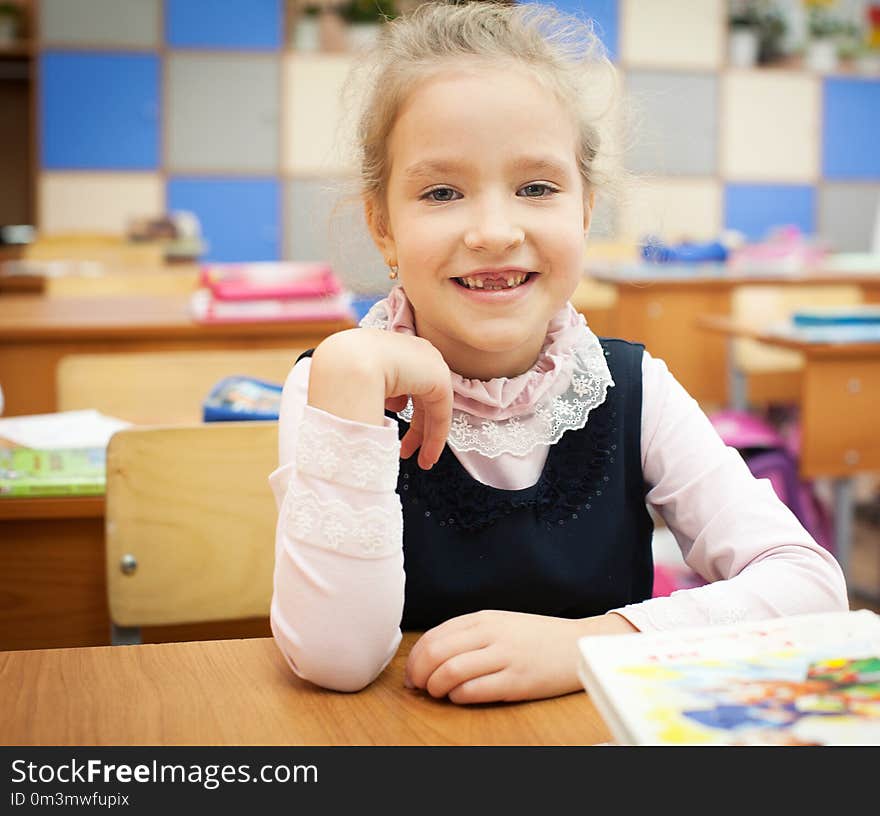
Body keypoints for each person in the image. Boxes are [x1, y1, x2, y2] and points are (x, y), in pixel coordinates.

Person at [268, 2, 848, 705]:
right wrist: (347, 383)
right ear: (382, 226)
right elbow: (337, 660)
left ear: (583, 209)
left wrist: (589, 646)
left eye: (536, 187)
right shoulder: (335, 387)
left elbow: (810, 588)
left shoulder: (634, 389)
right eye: (442, 191)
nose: (492, 230)